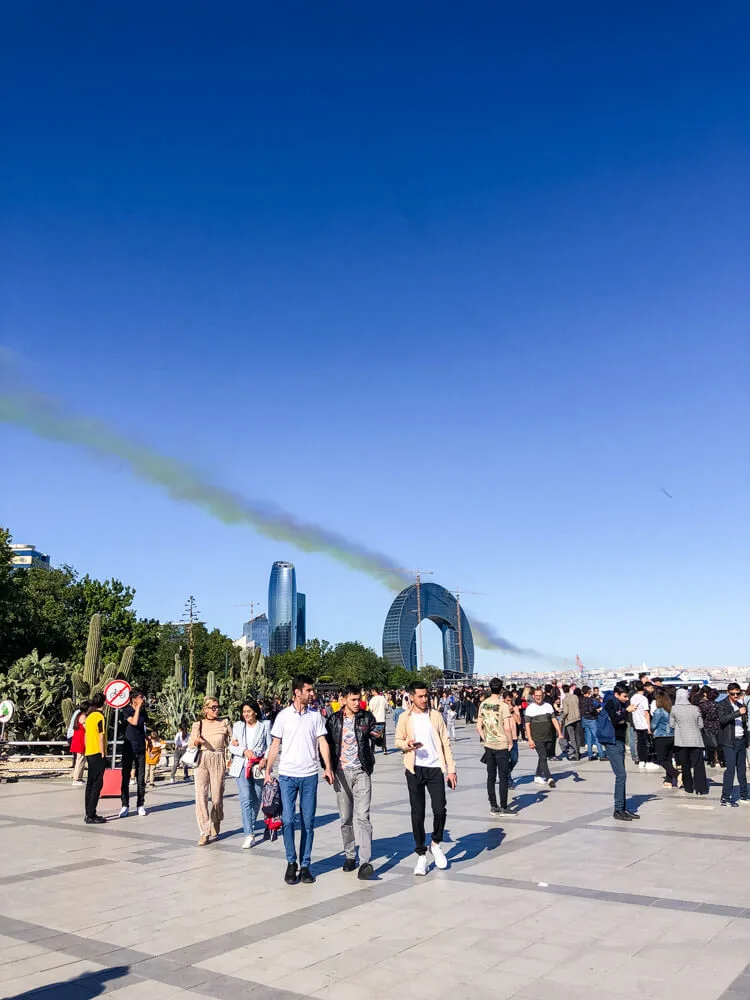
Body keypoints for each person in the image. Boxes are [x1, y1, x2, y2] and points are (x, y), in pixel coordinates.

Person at [265, 675, 334, 885]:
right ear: (297, 692)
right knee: (287, 820)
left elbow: (322, 742)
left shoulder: (315, 716)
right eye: (309, 690)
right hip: (287, 775)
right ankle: (291, 861)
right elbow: (275, 744)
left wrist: (328, 767)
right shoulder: (284, 716)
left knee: (308, 822)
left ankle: (305, 865)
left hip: (309, 775)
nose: (313, 694)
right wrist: (268, 769)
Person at [395, 681, 457, 876]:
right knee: (418, 812)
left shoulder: (436, 716)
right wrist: (408, 744)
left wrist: (451, 769)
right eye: (420, 696)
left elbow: (445, 742)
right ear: (411, 697)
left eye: (426, 695)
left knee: (439, 809)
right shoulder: (405, 717)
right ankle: (421, 854)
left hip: (434, 768)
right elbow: (398, 740)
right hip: (414, 769)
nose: (424, 699)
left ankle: (436, 843)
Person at [326, 684, 377, 880]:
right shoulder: (333, 720)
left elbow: (377, 739)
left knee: (363, 816)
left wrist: (378, 736)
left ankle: (365, 861)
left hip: (361, 771)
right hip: (341, 773)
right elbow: (327, 746)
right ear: (344, 699)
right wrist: (327, 767)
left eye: (359, 699)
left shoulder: (366, 717)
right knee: (345, 818)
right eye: (353, 699)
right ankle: (349, 855)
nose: (357, 703)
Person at [189, 696, 233, 846]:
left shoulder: (224, 723)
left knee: (217, 797)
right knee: (201, 795)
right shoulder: (198, 724)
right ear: (205, 709)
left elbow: (232, 741)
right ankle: (204, 831)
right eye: (213, 707)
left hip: (218, 758)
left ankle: (216, 819)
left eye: (217, 706)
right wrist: (196, 741)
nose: (216, 709)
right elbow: (190, 743)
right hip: (202, 758)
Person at [229, 699, 271, 848]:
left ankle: (251, 824)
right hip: (242, 766)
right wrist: (243, 751)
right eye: (244, 711)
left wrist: (265, 759)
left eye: (248, 711)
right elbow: (231, 746)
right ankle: (249, 834)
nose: (246, 714)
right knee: (246, 799)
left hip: (258, 767)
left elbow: (270, 745)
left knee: (256, 799)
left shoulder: (265, 725)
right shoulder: (238, 726)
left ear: (255, 711)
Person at [601, 684, 640, 821]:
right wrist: (626, 711)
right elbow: (615, 719)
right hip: (612, 742)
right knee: (621, 775)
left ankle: (622, 808)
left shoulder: (620, 704)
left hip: (619, 741)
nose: (626, 698)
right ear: (617, 694)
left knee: (622, 775)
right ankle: (618, 810)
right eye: (624, 696)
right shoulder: (611, 703)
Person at [477, 678, 515, 816]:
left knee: (491, 776)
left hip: (489, 745)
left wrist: (485, 737)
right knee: (503, 776)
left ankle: (493, 806)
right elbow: (507, 727)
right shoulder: (503, 706)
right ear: (501, 689)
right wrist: (510, 742)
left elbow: (478, 726)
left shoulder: (483, 704)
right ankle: (504, 806)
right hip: (501, 744)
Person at [670, 689, 708, 795]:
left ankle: (688, 787)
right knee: (698, 765)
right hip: (696, 739)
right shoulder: (695, 708)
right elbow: (701, 725)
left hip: (681, 740)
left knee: (685, 765)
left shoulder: (674, 709)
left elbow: (672, 724)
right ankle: (701, 788)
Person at [717, 683, 749, 807]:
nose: (735, 696)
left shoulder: (741, 705)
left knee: (742, 769)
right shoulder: (722, 705)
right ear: (728, 693)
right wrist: (737, 713)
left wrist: (747, 740)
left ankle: (744, 794)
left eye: (738, 693)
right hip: (729, 741)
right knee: (730, 769)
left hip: (741, 740)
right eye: (733, 694)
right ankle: (725, 797)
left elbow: (744, 725)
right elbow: (722, 719)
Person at [525, 687, 562, 788]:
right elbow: (527, 725)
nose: (538, 698)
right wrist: (530, 739)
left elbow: (554, 720)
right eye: (536, 696)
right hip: (537, 737)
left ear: (543, 696)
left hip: (549, 737)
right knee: (543, 756)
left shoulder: (548, 706)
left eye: (540, 696)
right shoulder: (530, 708)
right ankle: (549, 777)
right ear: (533, 696)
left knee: (543, 756)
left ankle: (537, 775)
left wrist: (560, 732)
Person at [120, 690, 148, 818]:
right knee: (125, 777)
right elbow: (134, 722)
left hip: (141, 747)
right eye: (140, 697)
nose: (142, 699)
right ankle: (125, 805)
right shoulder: (126, 710)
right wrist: (137, 708)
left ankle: (140, 805)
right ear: (133, 699)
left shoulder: (143, 712)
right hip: (129, 747)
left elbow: (141, 726)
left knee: (141, 778)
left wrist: (147, 738)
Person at [83, 692, 107, 825]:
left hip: (89, 752)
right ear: (104, 703)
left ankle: (88, 812)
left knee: (90, 783)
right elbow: (101, 736)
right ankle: (91, 814)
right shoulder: (100, 717)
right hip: (97, 753)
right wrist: (103, 753)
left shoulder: (90, 716)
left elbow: (87, 735)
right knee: (97, 783)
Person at [650, 691, 678, 788]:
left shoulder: (659, 711)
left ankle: (677, 774)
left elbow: (654, 725)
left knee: (661, 759)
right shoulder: (671, 710)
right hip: (672, 736)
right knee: (668, 758)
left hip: (661, 736)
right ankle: (669, 780)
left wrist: (650, 729)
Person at [629, 681, 656, 770]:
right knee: (646, 743)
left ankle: (641, 760)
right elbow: (646, 713)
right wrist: (649, 725)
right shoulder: (644, 699)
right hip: (644, 723)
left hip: (636, 723)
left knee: (639, 743)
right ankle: (647, 760)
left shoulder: (633, 698)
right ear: (643, 688)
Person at [579, 686, 603, 761]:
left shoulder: (580, 700)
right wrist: (597, 711)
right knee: (596, 737)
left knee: (588, 737)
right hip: (591, 719)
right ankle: (601, 754)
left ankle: (590, 754)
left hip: (584, 719)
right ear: (588, 691)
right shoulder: (589, 700)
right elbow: (591, 710)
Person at [560, 684, 582, 761]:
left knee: (572, 738)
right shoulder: (575, 697)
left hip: (570, 720)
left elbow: (565, 711)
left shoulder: (565, 699)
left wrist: (562, 717)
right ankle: (578, 752)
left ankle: (576, 755)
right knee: (578, 737)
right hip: (578, 718)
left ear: (563, 690)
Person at [69, 702, 89, 786]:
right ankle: (77, 778)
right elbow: (86, 727)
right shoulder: (83, 716)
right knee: (80, 760)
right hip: (80, 739)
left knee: (80, 759)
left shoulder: (78, 715)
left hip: (78, 739)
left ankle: (78, 778)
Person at [368, 687, 388, 755]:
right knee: (383, 734)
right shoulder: (383, 698)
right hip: (382, 719)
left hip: (375, 720)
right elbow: (386, 708)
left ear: (373, 691)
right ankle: (384, 748)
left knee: (373, 735)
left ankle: (372, 749)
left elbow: (370, 710)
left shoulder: (372, 700)